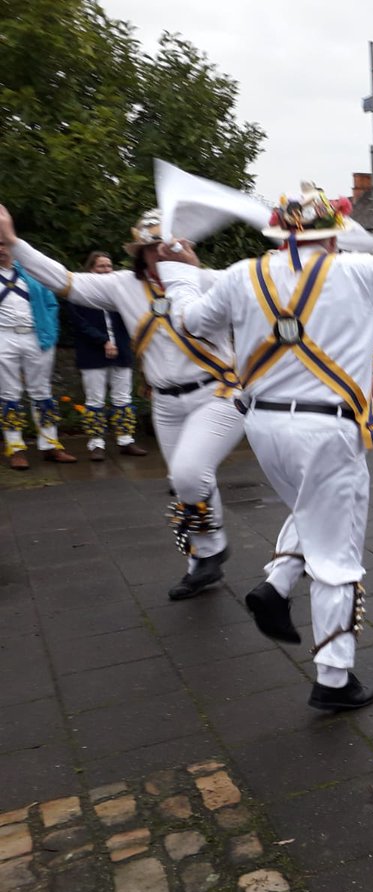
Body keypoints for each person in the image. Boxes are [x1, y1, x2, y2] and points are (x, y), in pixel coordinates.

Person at [159, 183, 373, 711]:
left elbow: (189, 322)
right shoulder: (358, 271)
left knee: (310, 509)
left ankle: (276, 585)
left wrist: (180, 272)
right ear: (334, 235)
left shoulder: (240, 276)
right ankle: (334, 679)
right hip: (327, 431)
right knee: (337, 556)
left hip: (264, 429)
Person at [0, 205, 242, 598]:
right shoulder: (122, 287)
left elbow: (263, 285)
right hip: (164, 402)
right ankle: (202, 561)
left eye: (169, 246)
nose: (161, 253)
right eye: (153, 247)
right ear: (140, 254)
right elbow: (63, 280)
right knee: (187, 481)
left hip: (217, 393)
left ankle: (219, 551)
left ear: (185, 247)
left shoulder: (209, 281)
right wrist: (13, 242)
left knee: (188, 472)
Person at [0, 234, 76, 468]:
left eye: (3, 243)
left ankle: (51, 444)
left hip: (36, 336)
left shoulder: (31, 273)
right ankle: (15, 448)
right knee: (9, 394)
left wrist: (50, 331)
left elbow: (51, 303)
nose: (1, 248)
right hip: (4, 337)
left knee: (42, 391)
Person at [70, 251, 148, 461]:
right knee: (95, 398)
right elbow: (79, 323)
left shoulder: (119, 292)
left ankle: (125, 439)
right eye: (100, 266)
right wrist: (102, 341)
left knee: (122, 396)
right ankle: (96, 443)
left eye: (108, 266)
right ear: (91, 269)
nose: (106, 270)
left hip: (121, 351)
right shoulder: (80, 293)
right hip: (93, 352)